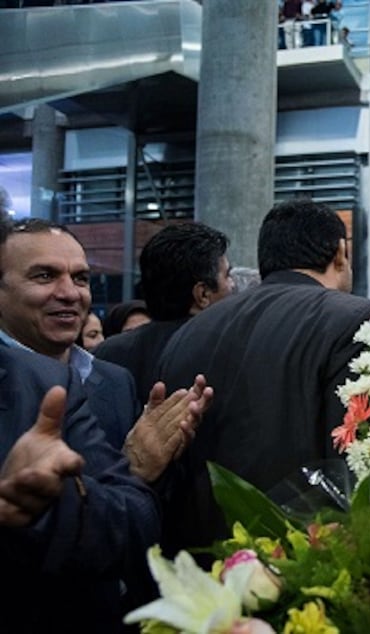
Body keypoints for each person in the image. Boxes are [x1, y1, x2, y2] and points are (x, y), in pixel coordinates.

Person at [157, 200, 370, 555]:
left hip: (202, 566)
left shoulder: (189, 333)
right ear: (340, 252)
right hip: (307, 567)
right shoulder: (358, 320)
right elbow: (357, 464)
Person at [0, 219, 210, 476]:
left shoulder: (116, 382)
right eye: (45, 276)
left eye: (80, 278)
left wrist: (158, 460)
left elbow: (145, 502)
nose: (70, 293)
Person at [0, 343, 160, 633]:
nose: (67, 295)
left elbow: (137, 519)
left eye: (83, 291)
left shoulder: (47, 382)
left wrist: (61, 498)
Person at [95, 222, 233, 406]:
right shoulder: (229, 355)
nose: (232, 285)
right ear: (202, 294)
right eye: (227, 275)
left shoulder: (105, 354)